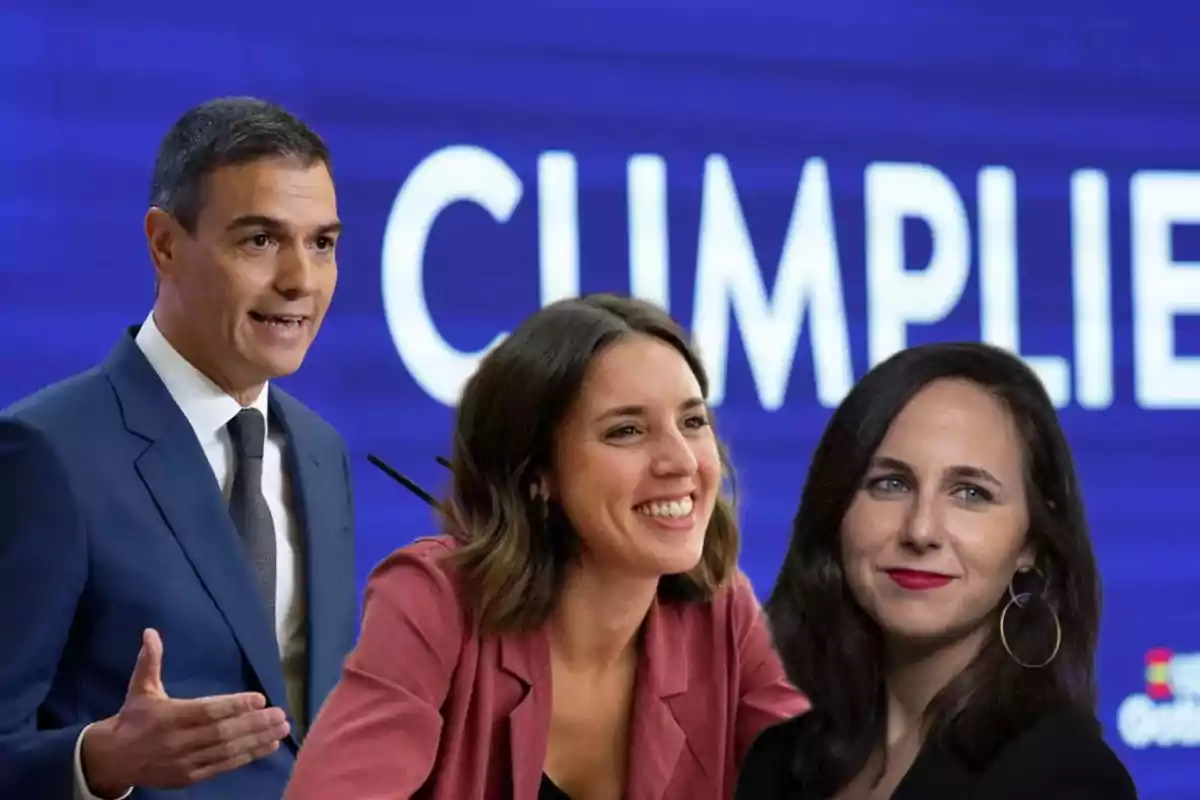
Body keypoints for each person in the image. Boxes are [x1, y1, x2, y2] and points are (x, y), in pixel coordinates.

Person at [283, 294, 811, 799]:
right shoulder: (433, 601)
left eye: (693, 422)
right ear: (538, 475)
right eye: (626, 431)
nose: (681, 460)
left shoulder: (721, 614)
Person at [0, 97, 358, 799]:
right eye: (259, 240)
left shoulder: (322, 452)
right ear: (165, 243)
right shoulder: (46, 454)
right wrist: (96, 762)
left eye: (322, 243)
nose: (300, 280)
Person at [735, 342, 1138, 800]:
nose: (921, 530)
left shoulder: (1067, 780)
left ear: (1032, 542)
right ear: (836, 511)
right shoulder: (777, 766)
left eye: (971, 493)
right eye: (890, 484)